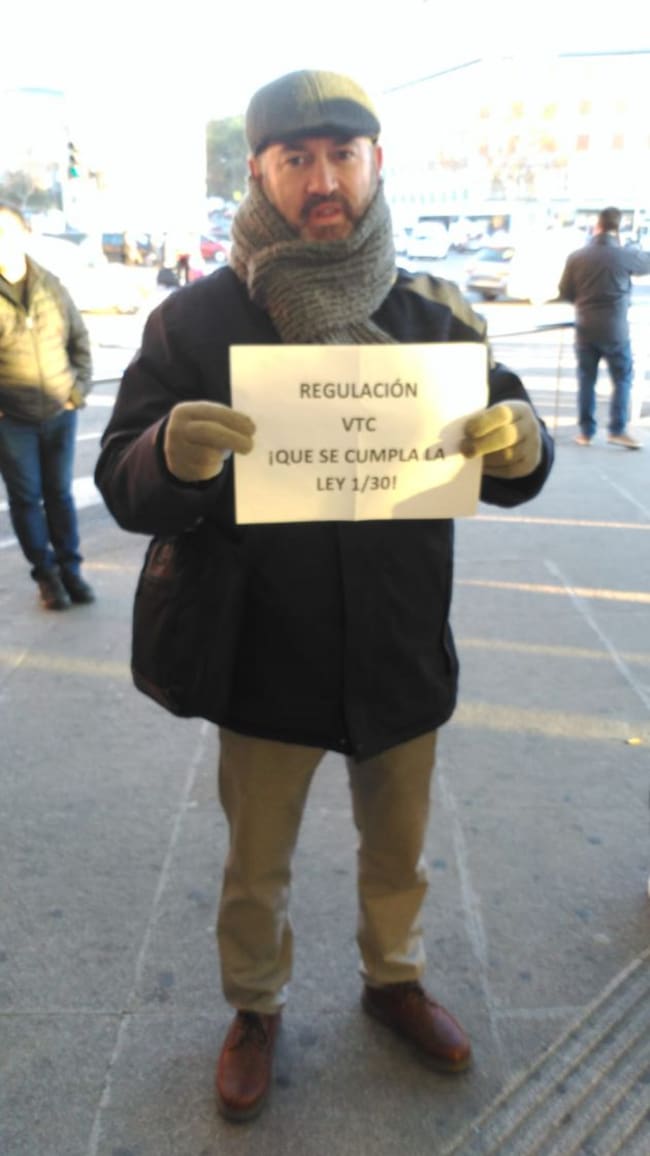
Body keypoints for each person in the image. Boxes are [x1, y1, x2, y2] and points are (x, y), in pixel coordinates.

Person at [95, 70, 554, 1123]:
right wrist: (168, 452)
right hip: (262, 647)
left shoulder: (434, 309)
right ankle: (254, 1006)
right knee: (256, 859)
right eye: (294, 158)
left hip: (397, 641)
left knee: (398, 847)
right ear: (256, 172)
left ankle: (393, 979)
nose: (321, 178)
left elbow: (507, 447)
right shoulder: (197, 319)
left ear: (375, 163)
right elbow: (121, 476)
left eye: (341, 154)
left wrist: (522, 445)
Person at [0, 200, 95, 610]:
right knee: (26, 499)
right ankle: (46, 575)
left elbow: (79, 340)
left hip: (60, 411)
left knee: (60, 494)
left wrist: (77, 392)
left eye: (7, 231)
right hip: (12, 419)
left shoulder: (50, 284)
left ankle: (71, 571)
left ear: (24, 235)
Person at [558, 205, 650, 450]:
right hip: (615, 330)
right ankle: (617, 430)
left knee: (586, 380)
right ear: (617, 229)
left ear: (597, 226)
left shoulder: (577, 257)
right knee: (622, 378)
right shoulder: (624, 254)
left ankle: (586, 433)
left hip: (585, 329)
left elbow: (564, 292)